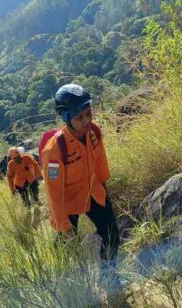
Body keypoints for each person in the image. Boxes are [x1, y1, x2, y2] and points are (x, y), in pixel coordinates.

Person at [41, 84, 120, 270]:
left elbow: (100, 163)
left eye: (88, 113)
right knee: (66, 248)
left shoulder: (94, 132)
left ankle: (109, 275)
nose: (86, 121)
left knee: (112, 236)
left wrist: (105, 193)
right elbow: (53, 192)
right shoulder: (55, 149)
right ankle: (67, 281)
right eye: (79, 117)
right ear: (66, 117)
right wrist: (63, 224)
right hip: (67, 202)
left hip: (94, 193)